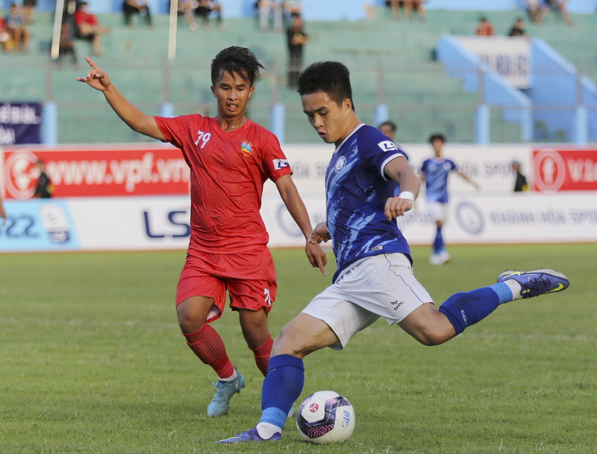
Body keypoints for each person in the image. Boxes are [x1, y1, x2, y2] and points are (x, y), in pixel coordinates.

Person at [217, 60, 570, 444]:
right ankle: (267, 430)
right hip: (350, 275)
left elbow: (406, 172)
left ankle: (513, 286)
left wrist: (405, 195)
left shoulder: (367, 139)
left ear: (346, 104)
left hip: (379, 263)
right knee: (289, 341)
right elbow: (356, 204)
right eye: (309, 115)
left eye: (323, 112)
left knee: (434, 331)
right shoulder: (338, 156)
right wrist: (326, 228)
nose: (317, 122)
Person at [77, 47, 327, 417]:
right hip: (205, 252)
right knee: (189, 317)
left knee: (256, 333)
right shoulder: (195, 130)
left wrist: (308, 233)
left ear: (251, 91)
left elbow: (287, 188)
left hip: (247, 252)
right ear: (213, 89)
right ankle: (228, 378)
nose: (232, 95)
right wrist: (109, 88)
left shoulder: (262, 139)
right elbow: (142, 123)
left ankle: (286, 402)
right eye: (225, 87)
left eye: (240, 88)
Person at [420, 133, 480, 265]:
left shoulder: (449, 162)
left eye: (439, 143)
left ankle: (435, 254)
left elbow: (460, 174)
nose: (437, 145)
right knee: (439, 223)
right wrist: (414, 196)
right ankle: (441, 252)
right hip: (431, 198)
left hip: (445, 199)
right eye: (435, 143)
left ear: (443, 145)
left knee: (440, 227)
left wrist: (473, 183)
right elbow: (420, 179)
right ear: (432, 145)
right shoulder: (426, 163)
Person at [286, 14, 307, 89]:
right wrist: (299, 40)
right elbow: (293, 40)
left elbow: (305, 40)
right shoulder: (289, 30)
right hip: (292, 53)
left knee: (298, 68)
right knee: (292, 68)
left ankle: (297, 84)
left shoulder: (302, 31)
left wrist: (299, 40)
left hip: (299, 53)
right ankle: (291, 84)